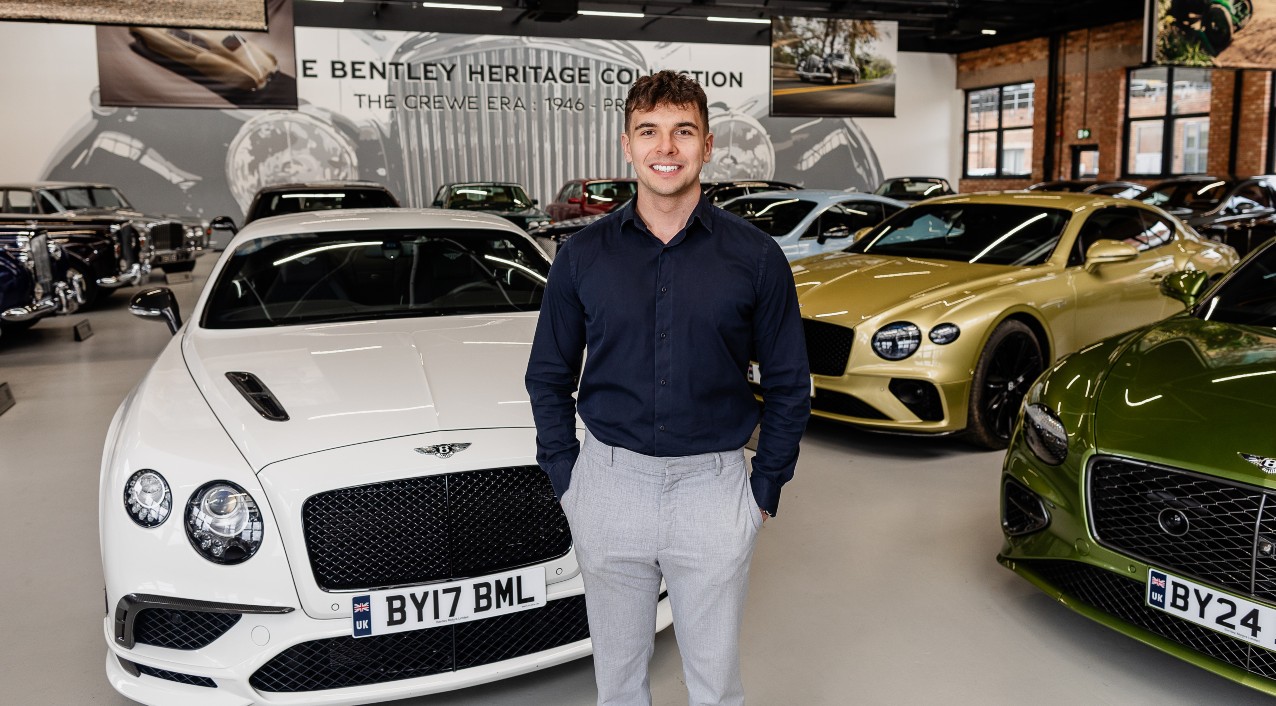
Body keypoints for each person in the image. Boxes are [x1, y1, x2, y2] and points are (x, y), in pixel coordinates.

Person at [525, 70, 810, 706]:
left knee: (715, 685)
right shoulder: (582, 257)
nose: (666, 148)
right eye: (649, 132)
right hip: (609, 484)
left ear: (707, 146)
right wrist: (568, 478)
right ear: (627, 145)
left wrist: (764, 486)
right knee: (619, 685)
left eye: (684, 131)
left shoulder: (756, 257)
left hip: (712, 490)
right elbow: (548, 375)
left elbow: (791, 383)